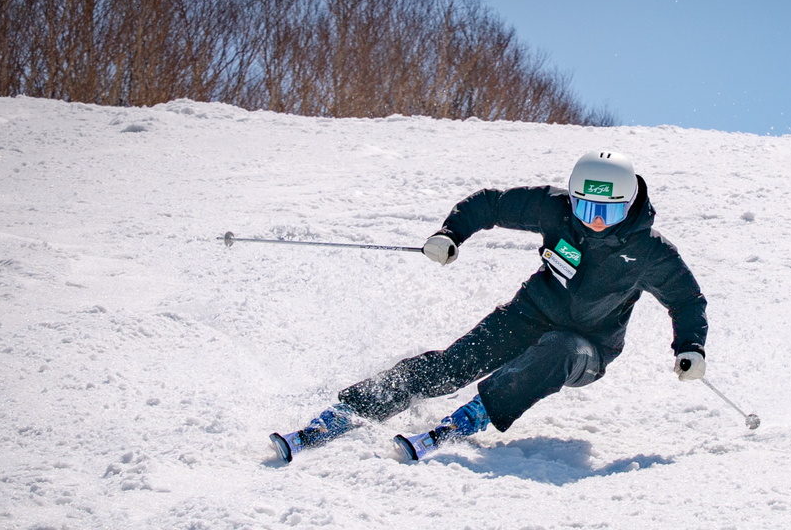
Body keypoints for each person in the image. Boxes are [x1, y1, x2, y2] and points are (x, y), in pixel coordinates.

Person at [270, 150, 709, 463]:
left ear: (628, 205)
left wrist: (690, 347)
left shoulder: (650, 252)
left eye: (607, 212)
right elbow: (492, 204)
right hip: (529, 313)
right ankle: (355, 407)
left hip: (589, 348)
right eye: (586, 207)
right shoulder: (554, 209)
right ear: (572, 199)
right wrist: (451, 234)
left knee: (560, 347)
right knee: (452, 365)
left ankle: (475, 414)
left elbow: (686, 300)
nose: (594, 221)